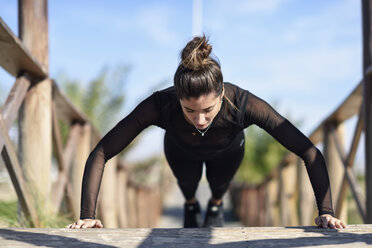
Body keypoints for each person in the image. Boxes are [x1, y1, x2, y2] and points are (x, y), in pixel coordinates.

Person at [67, 35, 346, 229]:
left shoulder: (244, 103)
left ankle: (214, 205)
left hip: (228, 151)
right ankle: (190, 203)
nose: (199, 119)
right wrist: (87, 215)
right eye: (189, 110)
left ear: (222, 93)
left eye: (208, 110)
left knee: (218, 186)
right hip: (180, 150)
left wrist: (326, 212)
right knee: (188, 184)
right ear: (177, 97)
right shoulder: (160, 104)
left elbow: (308, 151)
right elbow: (103, 151)